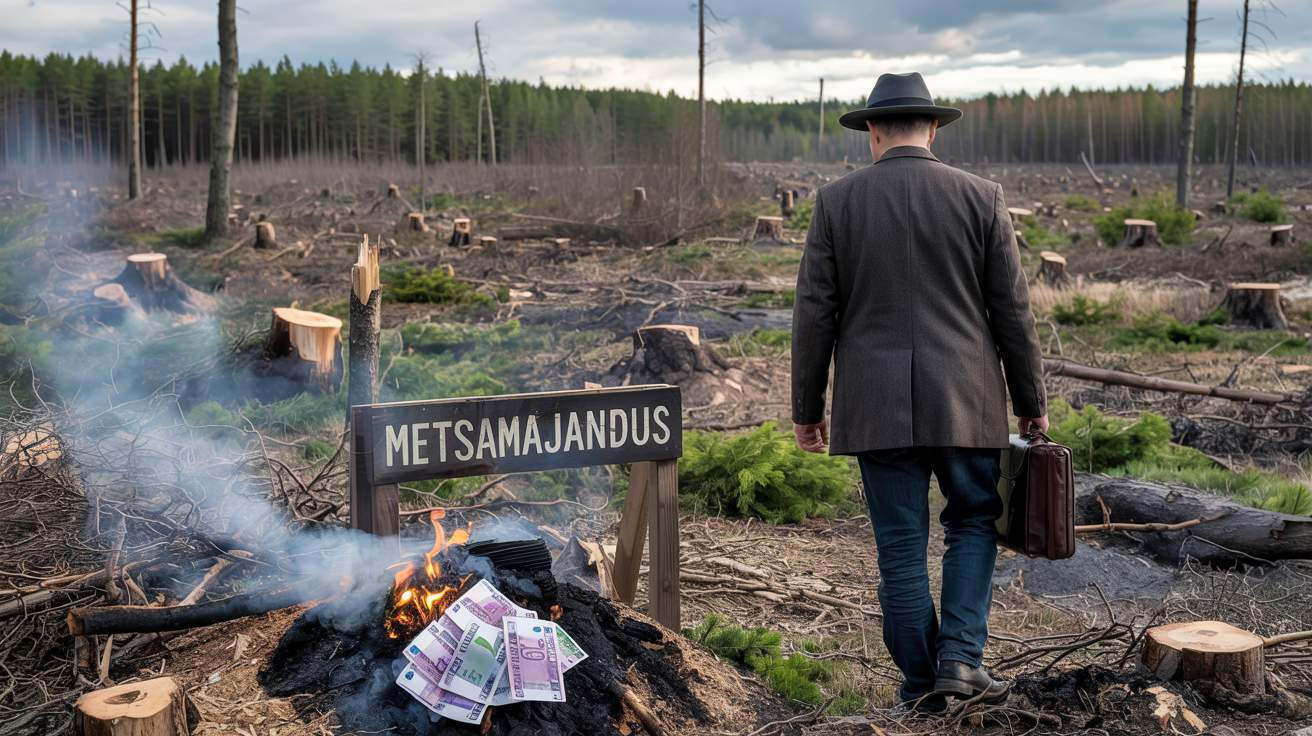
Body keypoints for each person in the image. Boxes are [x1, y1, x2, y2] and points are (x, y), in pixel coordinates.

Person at [790, 72, 1048, 712]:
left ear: (872, 132)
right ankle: (959, 661)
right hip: (965, 397)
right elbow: (1013, 313)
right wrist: (1031, 402)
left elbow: (814, 314)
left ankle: (918, 685)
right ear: (932, 129)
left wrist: (807, 410)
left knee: (900, 549)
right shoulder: (982, 197)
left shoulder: (836, 202)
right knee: (974, 522)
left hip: (874, 405)